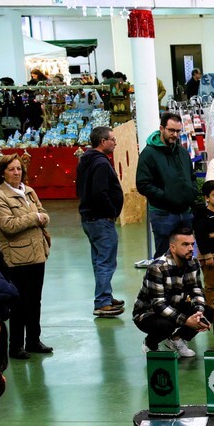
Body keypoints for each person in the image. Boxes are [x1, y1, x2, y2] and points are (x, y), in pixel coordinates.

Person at [0, 156, 52, 358]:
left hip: (37, 254)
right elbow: (8, 225)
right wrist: (34, 218)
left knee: (35, 301)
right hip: (16, 258)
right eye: (12, 169)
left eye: (19, 169)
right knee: (19, 303)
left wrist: (41, 217)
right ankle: (15, 346)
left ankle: (33, 340)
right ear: (2, 173)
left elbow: (45, 215)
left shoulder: (29, 192)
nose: (16, 173)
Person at [131, 225, 209, 357]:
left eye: (192, 244)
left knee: (208, 312)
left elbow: (197, 290)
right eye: (185, 244)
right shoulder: (157, 268)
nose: (191, 248)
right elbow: (159, 305)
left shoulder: (193, 262)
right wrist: (186, 321)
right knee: (166, 325)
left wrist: (199, 313)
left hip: (175, 305)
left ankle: (176, 340)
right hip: (149, 313)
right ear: (172, 247)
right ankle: (150, 344)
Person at [137, 112, 201, 258]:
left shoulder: (183, 153)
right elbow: (143, 184)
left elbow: (191, 176)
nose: (175, 135)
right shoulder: (149, 154)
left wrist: (192, 192)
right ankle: (162, 281)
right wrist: (166, 196)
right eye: (171, 130)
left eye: (178, 131)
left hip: (185, 213)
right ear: (162, 128)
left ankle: (184, 281)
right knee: (164, 256)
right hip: (163, 214)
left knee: (187, 254)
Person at [75, 125, 124, 318]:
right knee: (106, 261)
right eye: (112, 139)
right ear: (103, 142)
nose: (115, 142)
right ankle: (102, 302)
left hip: (89, 218)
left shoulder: (86, 161)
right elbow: (99, 192)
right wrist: (112, 211)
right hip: (101, 219)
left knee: (99, 260)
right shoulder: (101, 164)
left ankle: (104, 295)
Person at [193, 180, 214, 286]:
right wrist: (207, 256)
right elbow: (201, 237)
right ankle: (211, 302)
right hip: (210, 257)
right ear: (207, 198)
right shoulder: (202, 216)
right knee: (212, 284)